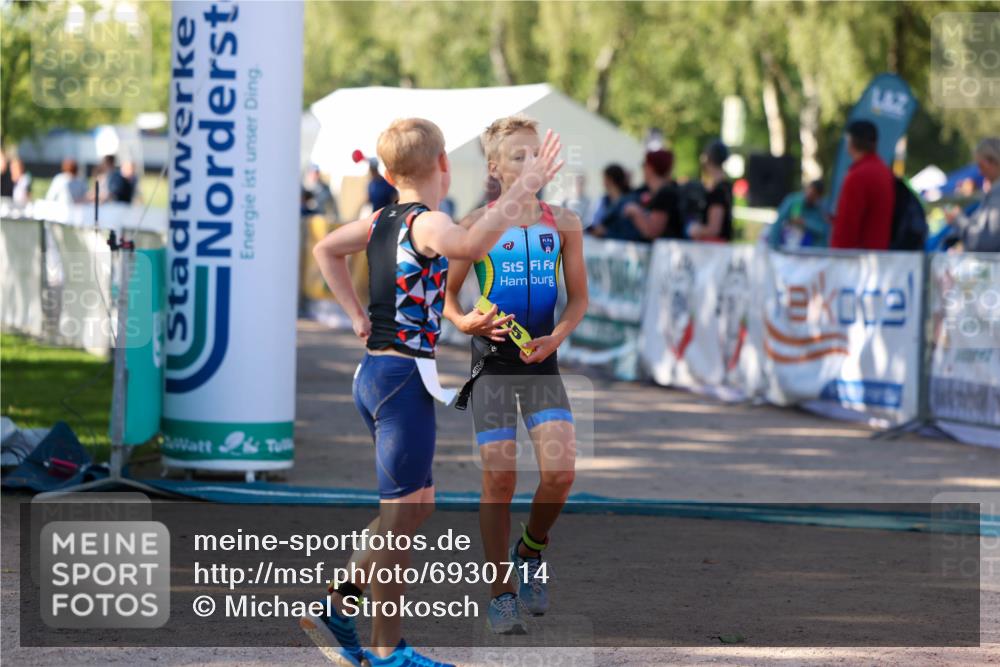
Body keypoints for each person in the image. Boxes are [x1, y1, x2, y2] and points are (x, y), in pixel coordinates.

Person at [307, 117, 564, 667]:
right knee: (400, 519)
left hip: (380, 378)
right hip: (401, 383)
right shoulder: (428, 223)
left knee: (416, 508)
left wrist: (356, 315)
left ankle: (341, 601)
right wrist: (522, 188)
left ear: (384, 172)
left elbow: (326, 249)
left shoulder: (380, 219)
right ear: (445, 166)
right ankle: (385, 648)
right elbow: (469, 242)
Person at [443, 115, 587, 635]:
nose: (532, 164)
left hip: (542, 366)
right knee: (499, 479)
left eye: (537, 155)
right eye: (520, 156)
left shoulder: (564, 222)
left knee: (561, 474)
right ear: (495, 165)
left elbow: (579, 299)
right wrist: (465, 321)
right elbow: (448, 297)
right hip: (494, 371)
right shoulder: (477, 223)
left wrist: (558, 336)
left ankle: (530, 550)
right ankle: (500, 592)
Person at [830, 120, 895, 250]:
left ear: (851, 142)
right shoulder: (884, 171)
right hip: (878, 255)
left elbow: (847, 226)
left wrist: (836, 255)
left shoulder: (858, 175)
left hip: (856, 260)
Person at [946, 137, 1000, 252]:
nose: (980, 172)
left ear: (993, 162)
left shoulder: (996, 195)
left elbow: (985, 242)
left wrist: (958, 220)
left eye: (981, 165)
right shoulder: (993, 193)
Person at [623, 149, 684, 240]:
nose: (643, 169)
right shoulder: (657, 191)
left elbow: (652, 231)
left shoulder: (666, 193)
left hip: (666, 251)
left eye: (644, 165)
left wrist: (635, 211)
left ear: (650, 167)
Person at [688, 140, 733, 242]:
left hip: (713, 249)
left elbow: (714, 229)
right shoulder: (725, 187)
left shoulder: (718, 191)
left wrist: (695, 229)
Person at [767, 180, 830, 250]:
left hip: (807, 248)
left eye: (813, 195)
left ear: (818, 197)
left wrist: (805, 223)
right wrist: (774, 244)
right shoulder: (795, 201)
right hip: (787, 242)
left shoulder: (820, 208)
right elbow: (779, 220)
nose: (808, 196)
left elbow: (823, 230)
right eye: (808, 192)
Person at [588, 164, 639, 241]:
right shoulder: (604, 200)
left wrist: (606, 232)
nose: (603, 182)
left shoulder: (630, 201)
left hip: (623, 246)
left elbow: (630, 232)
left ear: (610, 179)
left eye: (604, 178)